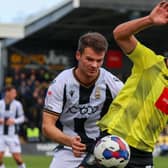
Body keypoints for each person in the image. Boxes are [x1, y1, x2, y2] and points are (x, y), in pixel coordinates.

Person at [78, 1, 168, 168]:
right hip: (113, 142)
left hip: (143, 154)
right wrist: (149, 19)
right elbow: (120, 35)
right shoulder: (150, 62)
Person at [42, 32, 124, 168]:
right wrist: (69, 141)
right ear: (78, 55)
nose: (95, 65)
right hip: (68, 150)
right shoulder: (61, 83)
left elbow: (131, 113)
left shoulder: (112, 83)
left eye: (99, 60)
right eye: (90, 59)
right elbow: (47, 126)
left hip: (102, 152)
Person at [0, 85, 26, 168]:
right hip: (1, 135)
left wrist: (14, 121)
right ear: (7, 93)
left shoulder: (17, 104)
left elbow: (22, 118)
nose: (15, 94)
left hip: (13, 136)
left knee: (17, 159)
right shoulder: (0, 103)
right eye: (13, 92)